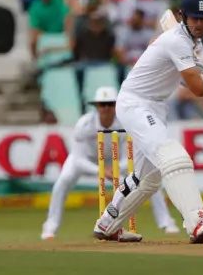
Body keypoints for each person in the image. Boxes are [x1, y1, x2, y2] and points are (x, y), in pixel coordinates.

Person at [92, 0, 203, 244]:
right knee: (173, 156)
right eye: (195, 18)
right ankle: (197, 223)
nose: (200, 24)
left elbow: (181, 74)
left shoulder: (183, 42)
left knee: (147, 179)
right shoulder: (177, 41)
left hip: (153, 106)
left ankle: (108, 224)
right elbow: (195, 88)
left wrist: (201, 79)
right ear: (183, 17)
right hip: (136, 103)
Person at [41, 87, 179, 240]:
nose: (106, 108)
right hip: (87, 161)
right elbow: (78, 159)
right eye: (102, 104)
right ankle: (50, 226)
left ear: (116, 105)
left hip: (116, 162)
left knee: (146, 178)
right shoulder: (84, 124)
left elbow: (130, 156)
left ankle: (166, 222)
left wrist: (115, 169)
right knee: (63, 181)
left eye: (110, 104)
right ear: (96, 106)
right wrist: (101, 171)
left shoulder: (126, 123)